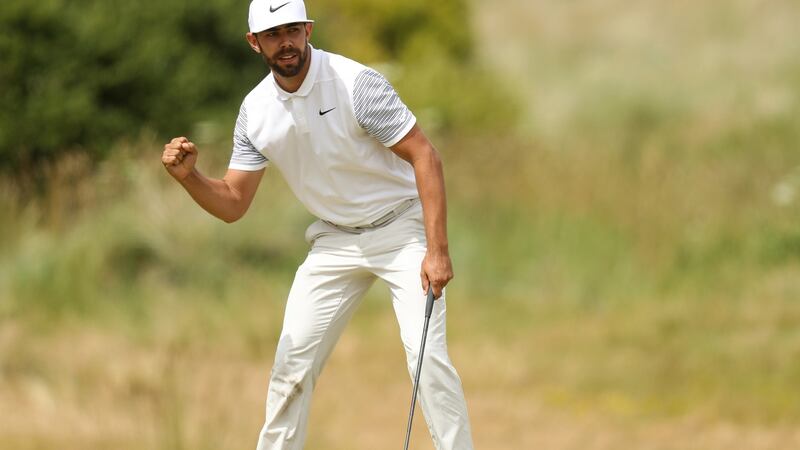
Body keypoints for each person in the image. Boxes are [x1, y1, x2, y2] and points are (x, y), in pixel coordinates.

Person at [160, 1, 474, 448]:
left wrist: (437, 249)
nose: (284, 42)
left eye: (292, 29)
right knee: (290, 369)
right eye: (272, 34)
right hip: (332, 240)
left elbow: (425, 155)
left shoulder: (355, 84)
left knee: (428, 360)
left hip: (400, 227)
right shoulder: (255, 111)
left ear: (308, 29)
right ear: (254, 43)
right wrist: (189, 177)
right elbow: (233, 203)